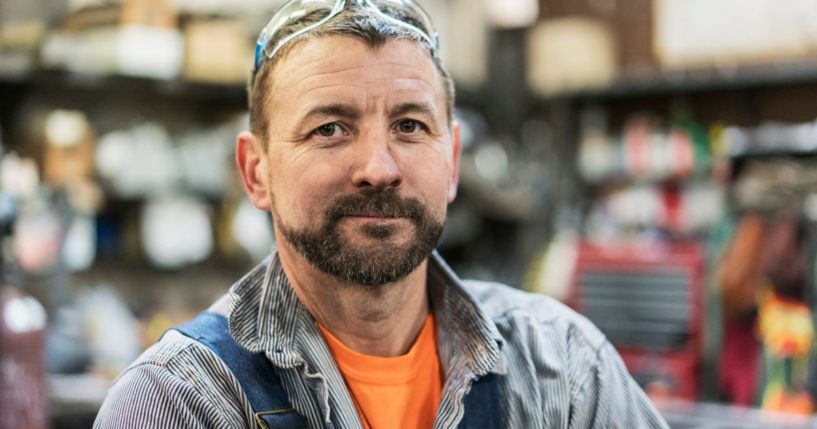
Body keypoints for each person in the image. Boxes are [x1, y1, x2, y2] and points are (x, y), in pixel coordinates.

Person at [95, 0, 669, 427]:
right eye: (330, 128)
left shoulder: (560, 370)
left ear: (452, 162)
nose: (379, 168)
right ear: (256, 171)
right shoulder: (179, 402)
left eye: (410, 126)